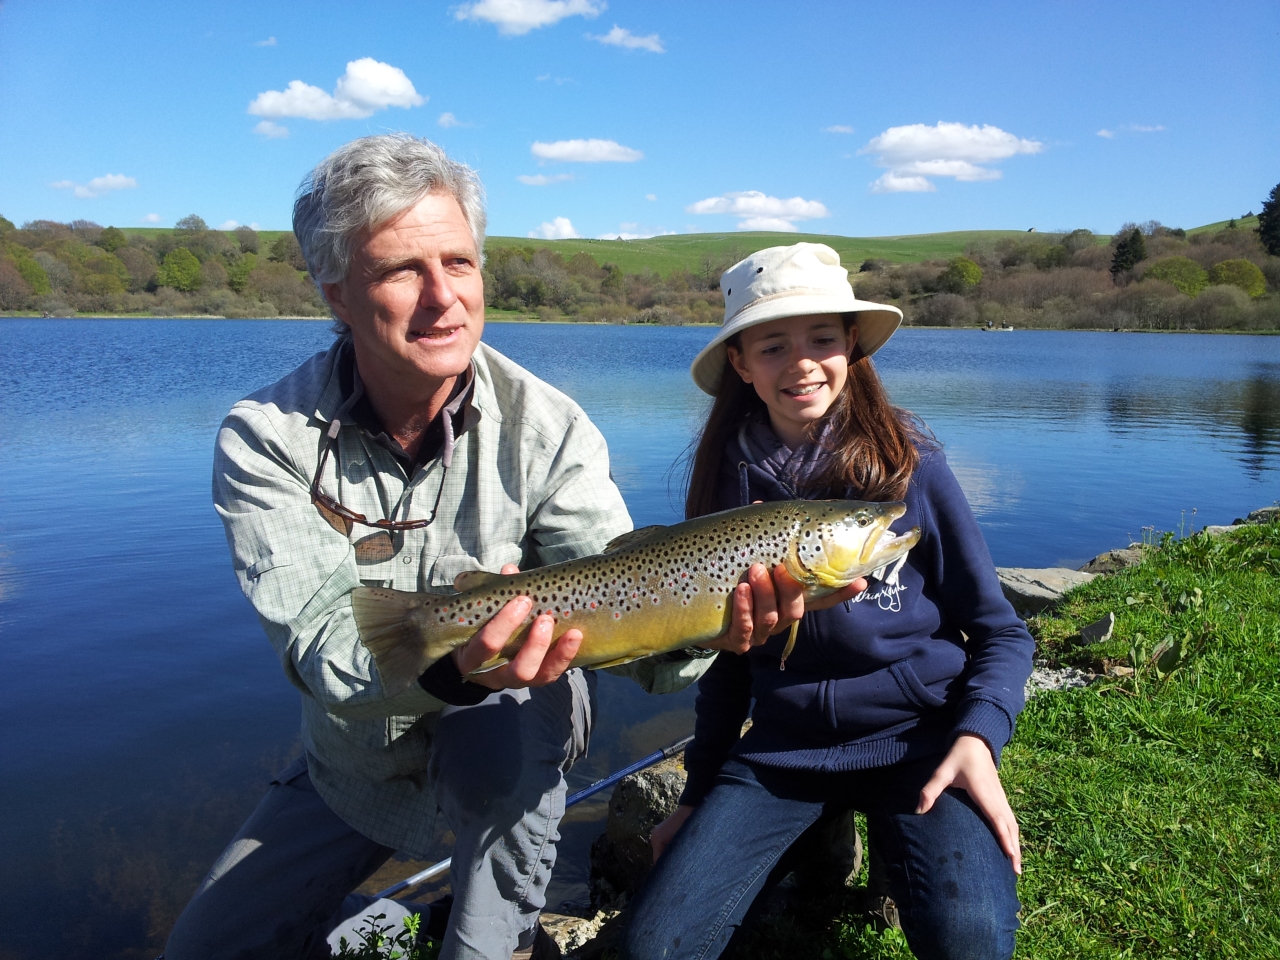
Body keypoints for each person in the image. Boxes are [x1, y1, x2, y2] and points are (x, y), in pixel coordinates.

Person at [163, 136, 850, 960]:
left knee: (505, 732)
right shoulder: (264, 438)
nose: (442, 299)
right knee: (205, 948)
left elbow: (632, 592)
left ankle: (500, 937)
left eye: (459, 262)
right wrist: (453, 672)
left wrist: (717, 629)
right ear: (337, 293)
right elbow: (324, 655)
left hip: (516, 738)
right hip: (355, 763)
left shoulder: (549, 424)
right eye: (400, 272)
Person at [623, 243, 1035, 960]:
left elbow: (1001, 632)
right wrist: (697, 792)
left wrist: (978, 738)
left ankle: (875, 851)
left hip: (921, 739)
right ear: (742, 365)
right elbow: (728, 662)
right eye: (773, 345)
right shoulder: (725, 486)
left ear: (851, 344)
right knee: (657, 949)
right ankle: (824, 841)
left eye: (822, 338)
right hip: (783, 750)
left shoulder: (916, 469)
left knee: (971, 940)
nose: (802, 362)